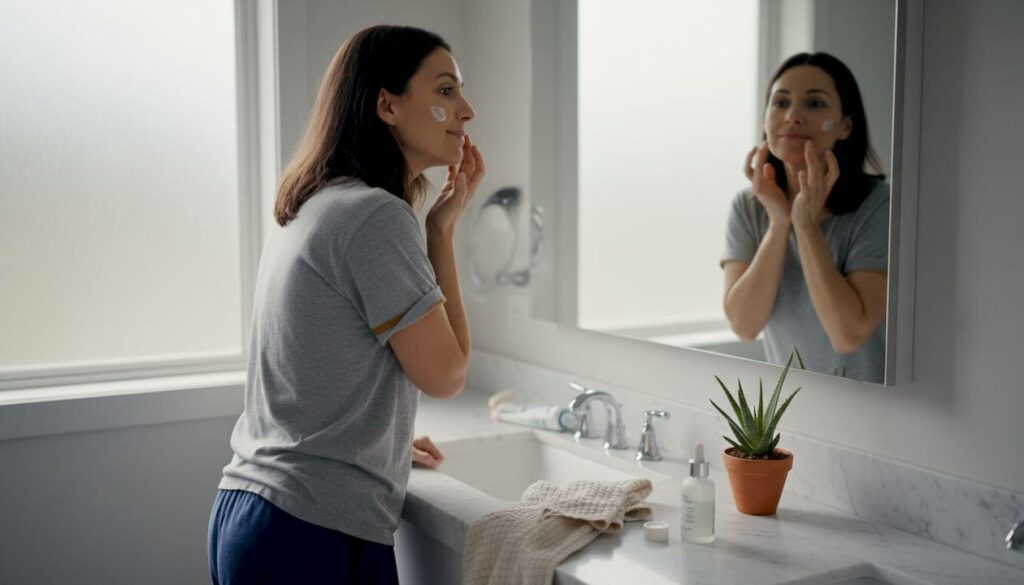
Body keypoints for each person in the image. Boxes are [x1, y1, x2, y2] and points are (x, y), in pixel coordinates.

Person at [207, 25, 484, 584]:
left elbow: (316, 365)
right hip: (308, 531)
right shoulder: (375, 217)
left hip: (257, 512)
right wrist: (442, 236)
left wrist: (381, 443)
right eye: (446, 91)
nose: (468, 110)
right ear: (386, 104)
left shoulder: (322, 202)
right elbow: (448, 374)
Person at [722, 52, 889, 383]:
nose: (793, 116)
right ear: (765, 119)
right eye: (780, 103)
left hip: (873, 415)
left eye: (814, 104)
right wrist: (779, 224)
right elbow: (744, 325)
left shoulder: (878, 205)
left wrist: (806, 226)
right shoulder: (749, 205)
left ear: (845, 126)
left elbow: (847, 335)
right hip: (792, 413)